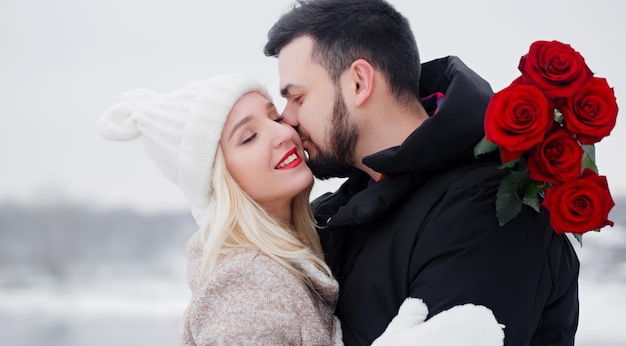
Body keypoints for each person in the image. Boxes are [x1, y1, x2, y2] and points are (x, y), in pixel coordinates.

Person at [263, 0, 580, 346]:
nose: (286, 119)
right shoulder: (344, 210)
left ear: (359, 82)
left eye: (297, 97)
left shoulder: (484, 213)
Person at [97, 74, 505, 346]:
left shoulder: (299, 254)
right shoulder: (249, 284)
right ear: (219, 181)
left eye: (275, 116)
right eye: (250, 136)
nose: (282, 133)